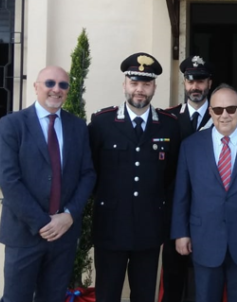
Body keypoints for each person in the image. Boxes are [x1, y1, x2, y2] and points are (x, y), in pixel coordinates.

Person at [0, 65, 96, 302]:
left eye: (63, 85)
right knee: (15, 298)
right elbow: (9, 180)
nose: (56, 89)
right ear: (36, 87)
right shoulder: (13, 124)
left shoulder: (77, 126)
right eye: (50, 83)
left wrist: (69, 215)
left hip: (63, 234)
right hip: (24, 233)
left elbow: (88, 174)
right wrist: (43, 223)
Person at [171, 83, 237, 302]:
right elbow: (182, 193)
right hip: (204, 238)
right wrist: (180, 232)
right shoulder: (190, 146)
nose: (224, 115)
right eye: (218, 110)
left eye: (230, 109)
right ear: (210, 112)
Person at [88, 52, 181, 302]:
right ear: (124, 85)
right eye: (134, 83)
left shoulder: (169, 125)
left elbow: (172, 177)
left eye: (146, 84)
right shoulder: (102, 123)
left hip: (149, 228)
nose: (140, 90)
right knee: (107, 294)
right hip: (110, 226)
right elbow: (90, 172)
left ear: (154, 88)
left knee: (144, 295)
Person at [160, 55, 215, 302]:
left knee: (209, 277)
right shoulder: (167, 119)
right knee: (173, 277)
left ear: (209, 83)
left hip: (211, 212)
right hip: (175, 212)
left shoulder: (222, 118)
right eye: (191, 80)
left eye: (201, 80)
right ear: (184, 82)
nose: (196, 86)